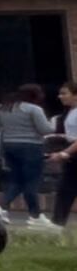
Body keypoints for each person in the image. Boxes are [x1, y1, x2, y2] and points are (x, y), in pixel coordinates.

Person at [0, 84, 54, 227]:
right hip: (31, 146)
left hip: (9, 146)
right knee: (31, 181)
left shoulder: (3, 107)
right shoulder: (34, 109)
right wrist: (54, 125)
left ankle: (0, 208)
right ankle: (35, 216)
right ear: (35, 95)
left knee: (16, 180)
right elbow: (45, 129)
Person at [45, 81, 77, 233]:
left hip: (73, 153)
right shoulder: (70, 112)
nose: (60, 96)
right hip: (72, 155)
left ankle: (57, 222)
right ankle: (57, 222)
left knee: (66, 187)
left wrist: (65, 153)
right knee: (66, 188)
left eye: (64, 93)